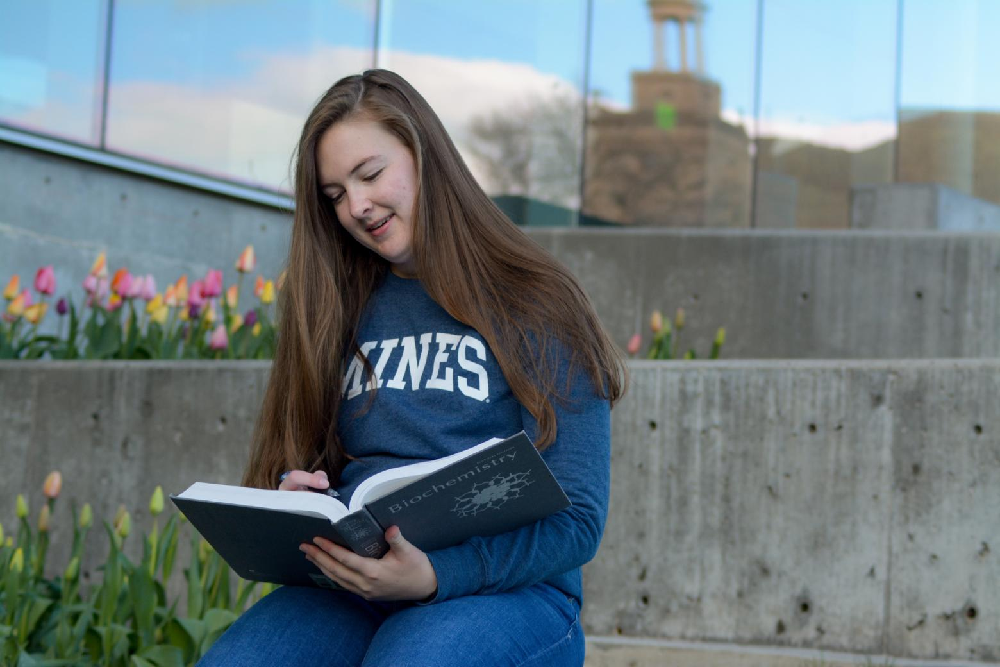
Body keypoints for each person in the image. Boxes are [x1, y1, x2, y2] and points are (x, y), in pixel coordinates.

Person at [198, 69, 626, 667]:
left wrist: (433, 577)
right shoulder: (335, 304)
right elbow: (307, 463)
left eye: (370, 175)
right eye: (335, 194)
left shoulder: (537, 300)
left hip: (507, 593)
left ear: (426, 157)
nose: (357, 206)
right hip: (354, 591)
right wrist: (296, 498)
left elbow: (578, 520)